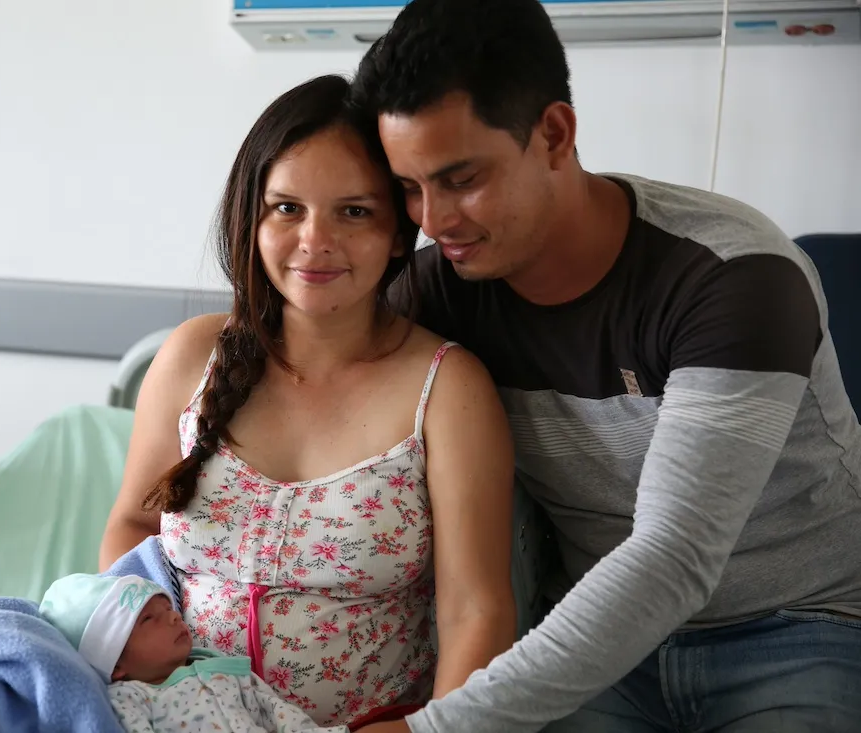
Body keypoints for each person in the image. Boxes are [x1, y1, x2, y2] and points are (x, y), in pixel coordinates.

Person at [347, 1, 861, 732]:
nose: (433, 221)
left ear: (555, 134)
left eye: (461, 179)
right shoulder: (442, 288)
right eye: (408, 188)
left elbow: (674, 556)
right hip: (595, 644)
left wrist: (434, 729)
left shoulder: (734, 276)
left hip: (802, 623)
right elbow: (299, 365)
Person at [99, 74, 518, 727]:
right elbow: (133, 526)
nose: (315, 241)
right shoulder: (192, 357)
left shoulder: (446, 391)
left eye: (354, 212)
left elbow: (477, 610)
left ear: (399, 231)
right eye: (287, 207)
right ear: (251, 217)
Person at [39, 573, 348, 733]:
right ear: (116, 662)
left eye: (168, 608)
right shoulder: (130, 699)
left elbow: (276, 711)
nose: (174, 617)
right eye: (149, 619)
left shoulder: (226, 669)